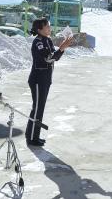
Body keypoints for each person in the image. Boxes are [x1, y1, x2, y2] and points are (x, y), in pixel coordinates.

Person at [25, 18, 73, 146]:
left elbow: (54, 58)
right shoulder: (38, 42)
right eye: (47, 27)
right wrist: (61, 48)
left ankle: (35, 135)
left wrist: (61, 49)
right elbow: (47, 58)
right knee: (36, 109)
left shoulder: (48, 40)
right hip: (37, 79)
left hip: (45, 79)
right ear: (39, 29)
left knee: (40, 109)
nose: (49, 28)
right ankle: (31, 137)